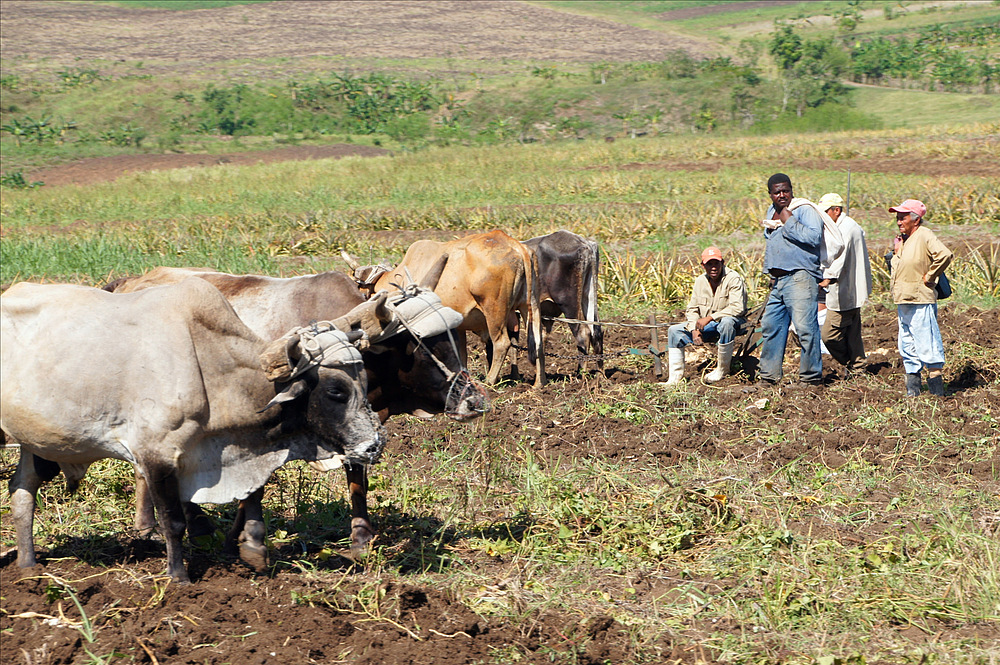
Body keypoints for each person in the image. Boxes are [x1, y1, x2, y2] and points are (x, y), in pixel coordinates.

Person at [758, 173, 826, 387]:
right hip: (779, 280)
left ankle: (811, 378)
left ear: (791, 189)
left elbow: (814, 237)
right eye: (777, 192)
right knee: (771, 325)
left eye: (785, 190)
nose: (782, 195)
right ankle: (769, 377)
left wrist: (789, 222)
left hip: (800, 276)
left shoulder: (803, 209)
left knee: (805, 328)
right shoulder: (772, 211)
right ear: (770, 194)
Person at [888, 199, 952, 396]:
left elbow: (944, 255)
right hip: (903, 298)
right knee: (907, 343)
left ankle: (936, 393)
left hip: (919, 298)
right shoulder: (905, 239)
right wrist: (897, 251)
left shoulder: (924, 234)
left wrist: (931, 276)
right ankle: (913, 391)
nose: (899, 221)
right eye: (898, 218)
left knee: (927, 341)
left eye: (903, 217)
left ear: (916, 220)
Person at [665, 246, 747, 385]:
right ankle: (675, 378)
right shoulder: (700, 281)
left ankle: (722, 370)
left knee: (727, 322)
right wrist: (694, 329)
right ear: (703, 266)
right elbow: (692, 309)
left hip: (731, 323)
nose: (713, 267)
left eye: (716, 263)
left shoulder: (733, 278)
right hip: (706, 326)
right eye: (709, 264)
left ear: (723, 263)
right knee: (673, 331)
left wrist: (710, 317)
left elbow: (737, 307)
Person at [818, 192, 872, 376]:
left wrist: (827, 278)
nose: (823, 217)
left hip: (845, 288)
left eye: (826, 212)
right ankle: (859, 367)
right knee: (852, 331)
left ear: (836, 210)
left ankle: (850, 362)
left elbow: (839, 259)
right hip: (852, 287)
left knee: (829, 335)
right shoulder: (845, 226)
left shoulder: (846, 229)